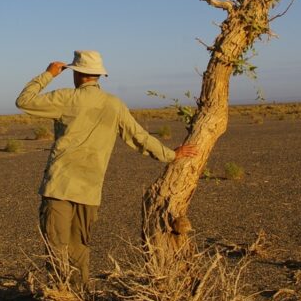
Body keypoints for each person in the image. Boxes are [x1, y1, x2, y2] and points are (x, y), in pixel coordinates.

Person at [15, 50, 197, 287]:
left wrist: (48, 74)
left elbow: (24, 101)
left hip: (58, 186)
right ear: (98, 75)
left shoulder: (65, 98)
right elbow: (139, 137)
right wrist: (171, 155)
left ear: (77, 73)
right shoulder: (114, 105)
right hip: (90, 190)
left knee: (56, 247)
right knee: (79, 247)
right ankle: (80, 300)